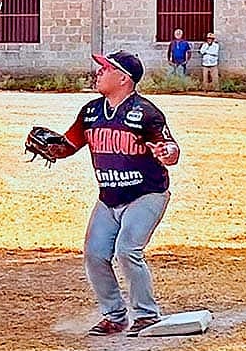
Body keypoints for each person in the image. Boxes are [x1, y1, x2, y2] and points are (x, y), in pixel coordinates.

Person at [37, 50, 181, 336]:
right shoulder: (91, 111)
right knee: (95, 254)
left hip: (146, 194)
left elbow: (170, 148)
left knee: (128, 250)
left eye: (106, 69)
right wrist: (53, 147)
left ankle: (146, 314)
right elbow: (69, 144)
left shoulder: (145, 113)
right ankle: (115, 315)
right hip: (109, 197)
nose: (99, 72)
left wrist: (167, 152)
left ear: (124, 79)